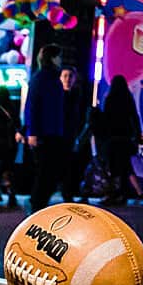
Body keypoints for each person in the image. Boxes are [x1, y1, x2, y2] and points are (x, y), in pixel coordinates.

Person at [24, 57, 82, 207]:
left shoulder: (76, 96)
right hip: (53, 139)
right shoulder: (55, 95)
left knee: (66, 170)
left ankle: (66, 197)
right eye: (65, 76)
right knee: (48, 171)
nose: (68, 79)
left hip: (67, 139)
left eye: (70, 76)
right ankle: (38, 202)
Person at [96, 74, 140, 208]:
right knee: (124, 168)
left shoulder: (109, 99)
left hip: (112, 138)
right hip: (125, 138)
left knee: (113, 168)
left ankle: (112, 194)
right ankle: (123, 194)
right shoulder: (128, 99)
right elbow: (135, 117)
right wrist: (137, 136)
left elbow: (105, 119)